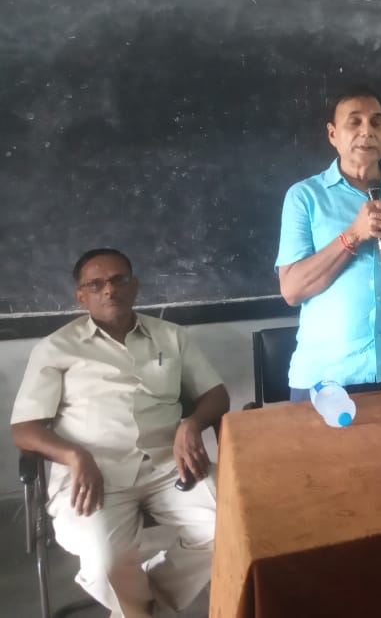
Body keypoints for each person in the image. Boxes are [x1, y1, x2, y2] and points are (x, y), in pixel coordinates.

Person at [10, 249, 229, 618]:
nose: (109, 289)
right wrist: (75, 456)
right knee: (104, 564)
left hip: (170, 466)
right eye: (96, 284)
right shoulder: (56, 348)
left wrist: (191, 424)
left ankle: (144, 606)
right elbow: (25, 428)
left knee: (233, 528)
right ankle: (139, 605)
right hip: (95, 476)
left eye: (118, 279)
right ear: (81, 296)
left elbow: (215, 394)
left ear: (135, 286)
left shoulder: (171, 336)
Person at [276, 86, 381, 399]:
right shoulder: (305, 196)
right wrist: (352, 235)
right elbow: (292, 289)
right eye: (354, 122)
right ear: (332, 134)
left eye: (376, 122)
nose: (366, 131)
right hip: (327, 376)